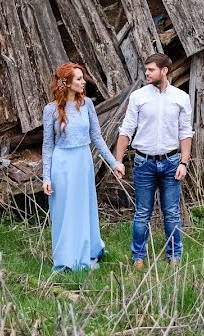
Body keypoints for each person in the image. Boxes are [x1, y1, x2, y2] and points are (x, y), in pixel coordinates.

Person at [42, 62, 126, 273]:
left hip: (82, 162)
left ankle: (85, 252)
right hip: (62, 165)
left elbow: (96, 137)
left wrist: (114, 162)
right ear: (67, 82)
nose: (83, 82)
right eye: (78, 78)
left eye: (82, 78)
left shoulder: (87, 104)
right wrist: (46, 177)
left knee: (82, 209)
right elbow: (48, 145)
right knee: (63, 211)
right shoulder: (50, 110)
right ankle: (65, 258)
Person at [114, 53, 193, 269]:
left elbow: (186, 132)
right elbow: (126, 130)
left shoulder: (180, 98)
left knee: (171, 212)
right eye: (146, 69)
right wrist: (118, 161)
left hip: (171, 162)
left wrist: (183, 163)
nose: (147, 73)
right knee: (142, 212)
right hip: (144, 163)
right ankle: (138, 257)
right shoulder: (138, 97)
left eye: (151, 69)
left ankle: (174, 257)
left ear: (164, 70)